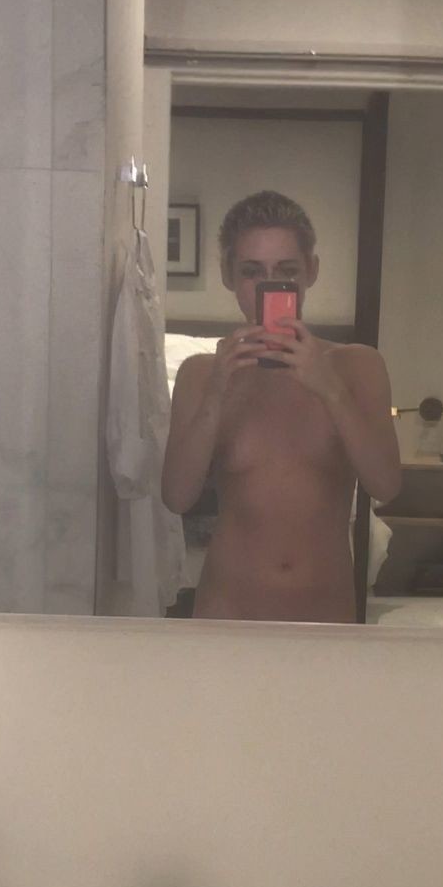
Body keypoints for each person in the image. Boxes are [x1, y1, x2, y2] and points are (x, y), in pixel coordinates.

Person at [161, 190, 401, 622]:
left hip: (324, 617)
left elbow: (386, 485)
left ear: (312, 270)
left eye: (287, 271)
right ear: (228, 275)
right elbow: (177, 496)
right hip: (227, 612)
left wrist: (331, 390)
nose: (268, 286)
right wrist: (216, 393)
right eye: (252, 271)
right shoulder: (201, 374)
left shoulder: (357, 366)